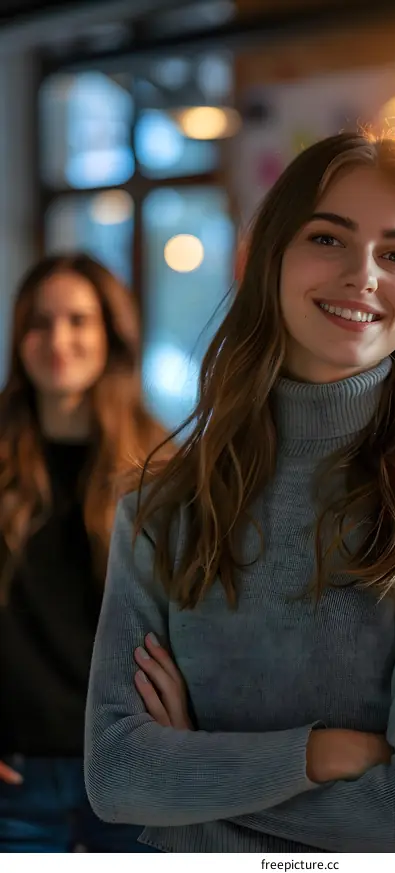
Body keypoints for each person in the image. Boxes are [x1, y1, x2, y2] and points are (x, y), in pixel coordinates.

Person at [85, 132, 395, 854]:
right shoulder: (163, 504)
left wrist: (195, 777)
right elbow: (115, 775)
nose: (363, 274)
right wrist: (318, 754)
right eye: (328, 237)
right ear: (272, 262)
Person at [0, 254, 167, 852]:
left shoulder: (161, 465)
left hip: (134, 772)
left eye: (78, 320)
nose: (58, 339)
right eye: (39, 323)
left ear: (110, 336)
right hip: (16, 777)